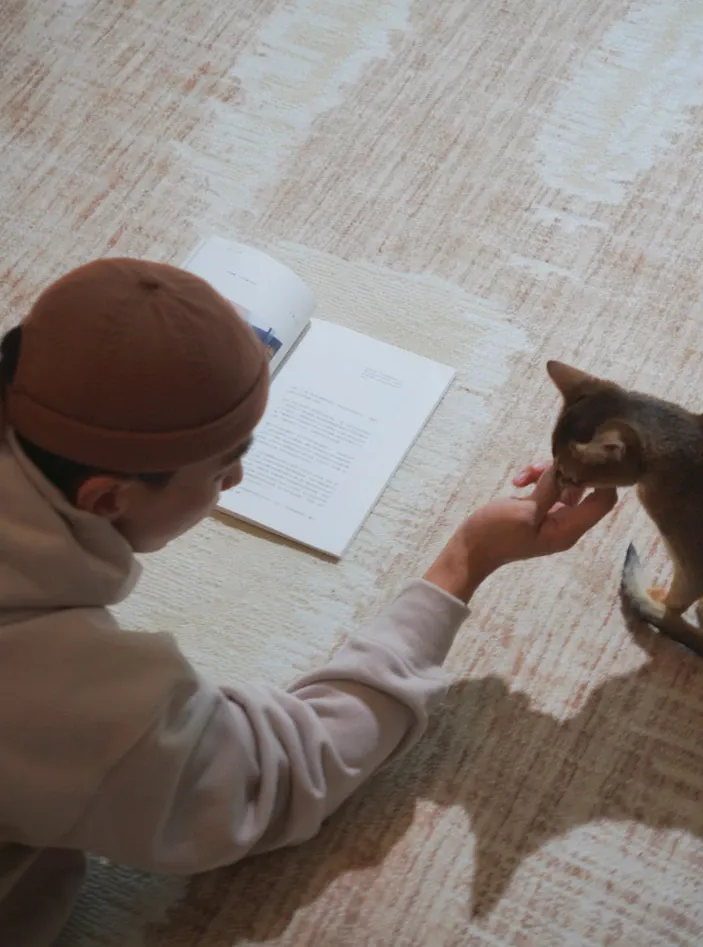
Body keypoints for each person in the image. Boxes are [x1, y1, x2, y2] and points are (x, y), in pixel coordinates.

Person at [0, 258, 617, 946]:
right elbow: (277, 774)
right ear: (108, 498)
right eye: (224, 466)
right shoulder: (47, 684)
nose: (237, 478)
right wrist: (464, 561)